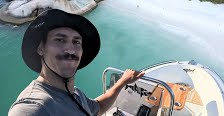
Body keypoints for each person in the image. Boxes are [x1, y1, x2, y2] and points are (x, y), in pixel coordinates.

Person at [8, 9, 145, 116]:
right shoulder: (33, 107)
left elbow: (98, 108)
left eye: (76, 42)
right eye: (60, 40)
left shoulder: (76, 95)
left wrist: (122, 82)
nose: (70, 49)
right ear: (40, 48)